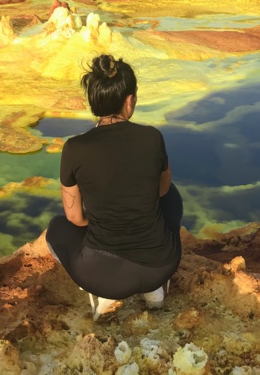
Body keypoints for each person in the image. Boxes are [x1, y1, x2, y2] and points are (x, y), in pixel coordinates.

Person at [46, 54, 183, 320]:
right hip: (160, 266)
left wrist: (102, 220)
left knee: (58, 229)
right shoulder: (152, 137)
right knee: (172, 199)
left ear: (94, 102)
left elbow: (75, 217)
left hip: (103, 278)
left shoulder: (75, 148)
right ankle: (154, 292)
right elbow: (163, 190)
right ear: (129, 101)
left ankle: (107, 300)